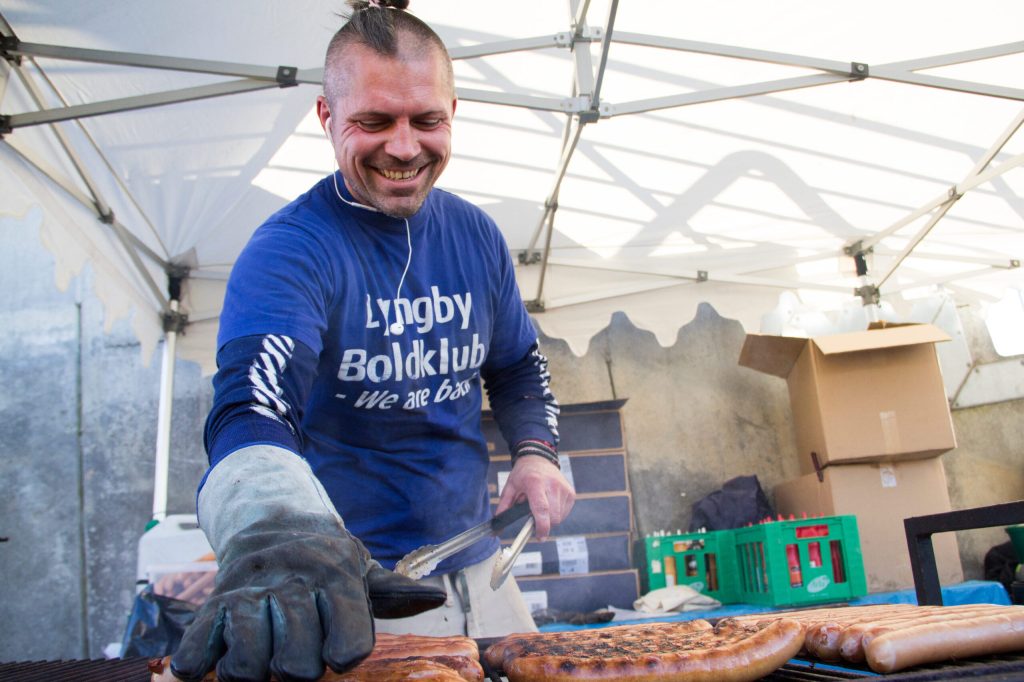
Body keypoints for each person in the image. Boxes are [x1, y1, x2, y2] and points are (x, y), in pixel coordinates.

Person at [170, 1, 575, 680]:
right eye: (374, 121)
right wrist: (271, 523)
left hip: (482, 571)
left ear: (453, 111)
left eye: (426, 120)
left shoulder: (477, 237)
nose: (405, 147)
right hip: (355, 587)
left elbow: (515, 368)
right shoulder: (291, 252)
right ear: (328, 119)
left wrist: (536, 454)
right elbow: (253, 405)